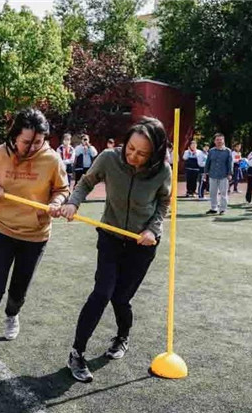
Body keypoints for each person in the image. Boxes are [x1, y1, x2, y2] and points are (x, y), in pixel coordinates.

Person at [60, 117, 171, 383]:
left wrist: (152, 230)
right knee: (101, 293)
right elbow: (86, 182)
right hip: (110, 237)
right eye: (131, 148)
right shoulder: (109, 158)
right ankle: (77, 352)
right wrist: (74, 203)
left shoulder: (162, 171)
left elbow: (163, 204)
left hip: (142, 244)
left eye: (142, 153)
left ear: (154, 154)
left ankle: (122, 337)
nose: (133, 155)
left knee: (121, 299)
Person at [0, 108, 69, 373]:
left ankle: (12, 314)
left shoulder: (52, 159)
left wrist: (56, 202)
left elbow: (62, 189)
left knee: (18, 292)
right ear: (14, 135)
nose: (32, 147)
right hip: (2, 230)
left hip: (35, 236)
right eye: (26, 142)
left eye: (38, 142)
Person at [204, 133, 232, 215]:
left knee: (223, 193)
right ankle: (214, 208)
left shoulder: (228, 151)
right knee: (213, 192)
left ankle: (223, 209)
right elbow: (208, 162)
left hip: (224, 175)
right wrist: (205, 172)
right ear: (214, 141)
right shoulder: (211, 151)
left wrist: (230, 173)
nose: (219, 141)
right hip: (212, 174)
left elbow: (230, 163)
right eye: (217, 140)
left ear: (223, 141)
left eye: (221, 140)